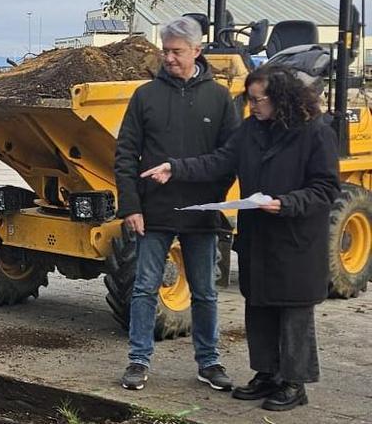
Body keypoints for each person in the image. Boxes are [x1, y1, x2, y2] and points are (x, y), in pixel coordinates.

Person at [141, 64, 340, 411]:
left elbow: (325, 188)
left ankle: (294, 382)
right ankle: (266, 374)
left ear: (281, 99)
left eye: (259, 100)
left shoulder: (315, 133)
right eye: (249, 100)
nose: (253, 107)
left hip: (295, 238)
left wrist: (287, 203)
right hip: (258, 236)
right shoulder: (250, 130)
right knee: (259, 306)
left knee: (292, 313)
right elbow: (219, 161)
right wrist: (176, 167)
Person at [115, 16, 239, 391]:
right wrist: (132, 206)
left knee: (204, 291)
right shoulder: (145, 96)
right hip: (154, 212)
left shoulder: (219, 98)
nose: (168, 58)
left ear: (197, 51)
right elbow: (125, 155)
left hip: (201, 213)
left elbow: (230, 156)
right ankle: (138, 360)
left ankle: (209, 361)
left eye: (176, 51)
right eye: (165, 51)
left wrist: (213, 198)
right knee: (143, 287)